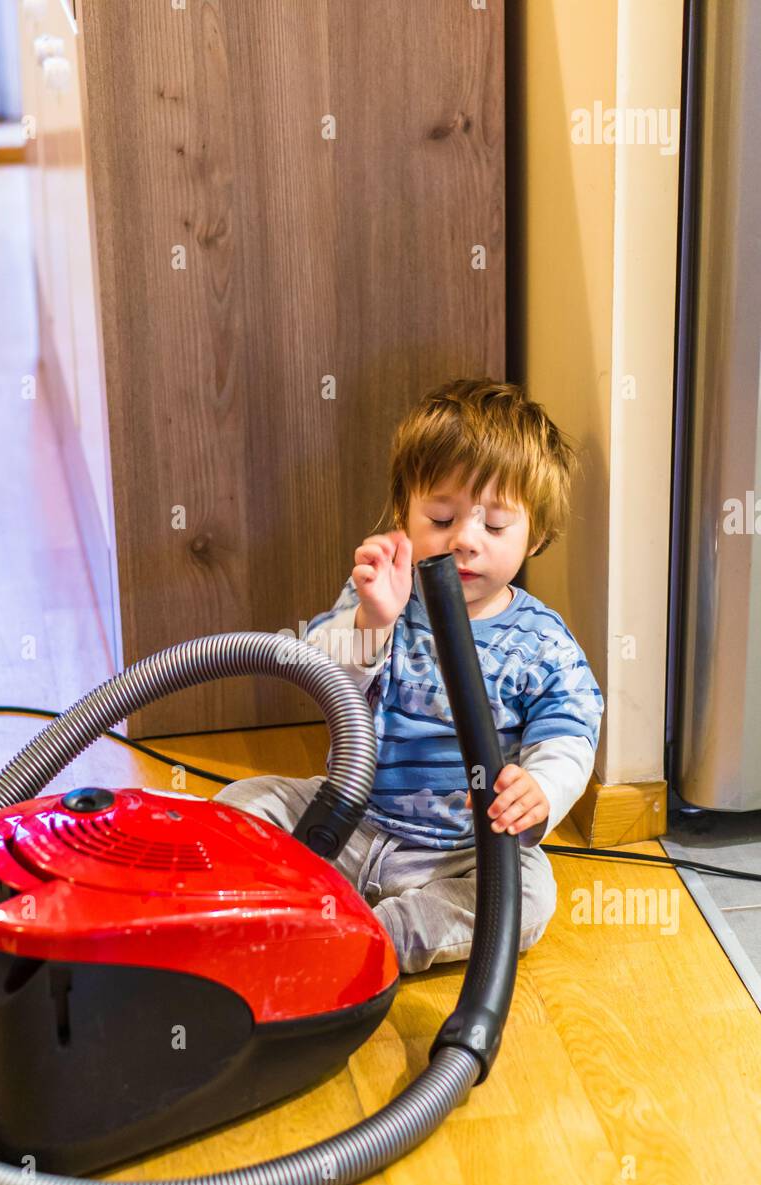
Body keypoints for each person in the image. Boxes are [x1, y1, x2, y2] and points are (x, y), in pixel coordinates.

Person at [214, 378, 604, 973]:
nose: (465, 541)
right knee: (244, 803)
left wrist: (544, 788)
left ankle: (373, 935)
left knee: (528, 895)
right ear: (405, 515)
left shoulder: (543, 642)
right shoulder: (386, 597)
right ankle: (255, 906)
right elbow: (321, 669)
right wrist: (373, 617)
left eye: (495, 526)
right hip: (351, 821)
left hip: (460, 850)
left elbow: (572, 732)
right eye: (442, 516)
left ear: (537, 535)